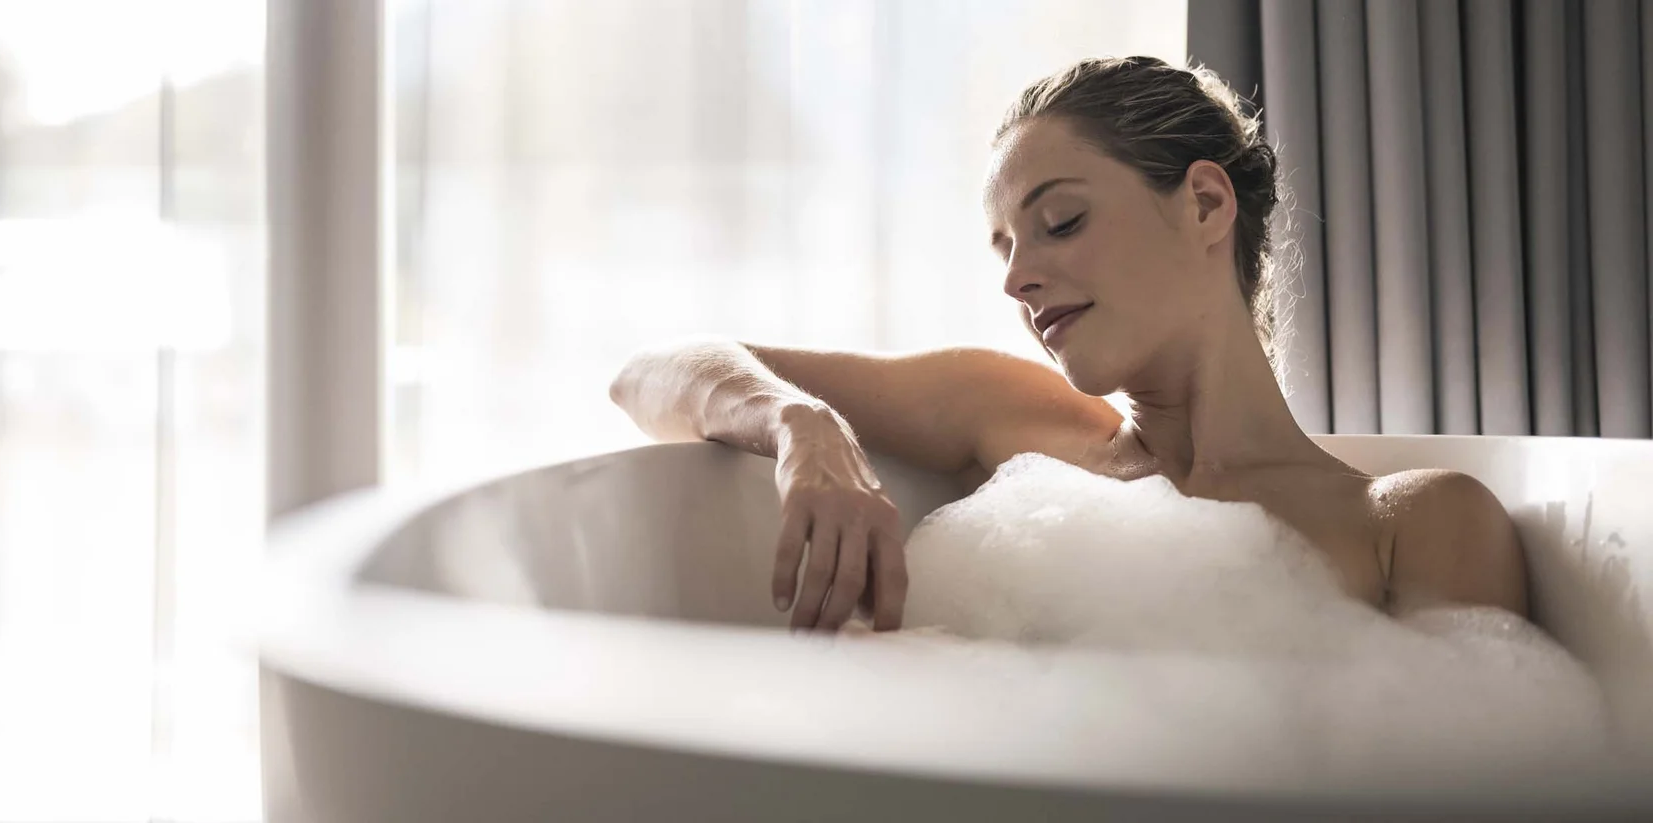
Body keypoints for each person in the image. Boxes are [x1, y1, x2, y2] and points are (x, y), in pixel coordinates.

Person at [608, 56, 1526, 634]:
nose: (1016, 280)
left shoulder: (1413, 522)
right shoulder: (1015, 423)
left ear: (1205, 205)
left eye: (1060, 221)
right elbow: (647, 371)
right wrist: (799, 424)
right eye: (1005, 248)